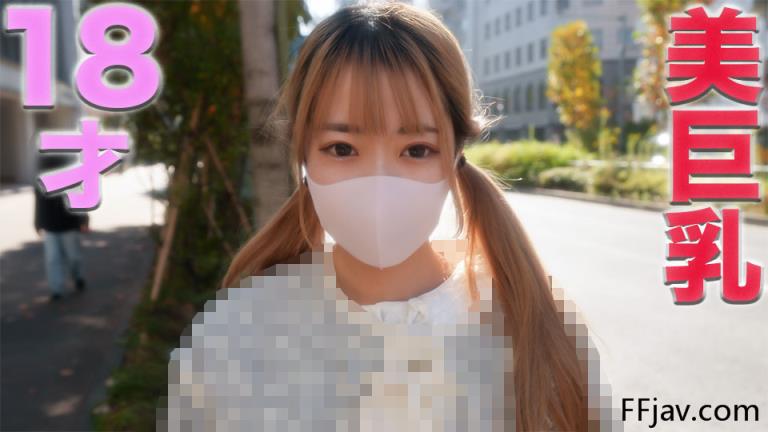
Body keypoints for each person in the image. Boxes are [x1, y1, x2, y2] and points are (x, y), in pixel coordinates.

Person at [162, 3, 615, 431]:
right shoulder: (235, 335)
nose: (379, 184)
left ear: (455, 154)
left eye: (416, 150)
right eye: (342, 148)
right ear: (303, 155)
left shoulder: (532, 331)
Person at [34, 155, 89, 302]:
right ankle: (56, 289)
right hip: (50, 226)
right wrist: (37, 223)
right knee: (52, 259)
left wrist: (84, 220)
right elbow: (38, 203)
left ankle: (78, 277)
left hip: (69, 224)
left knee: (74, 257)